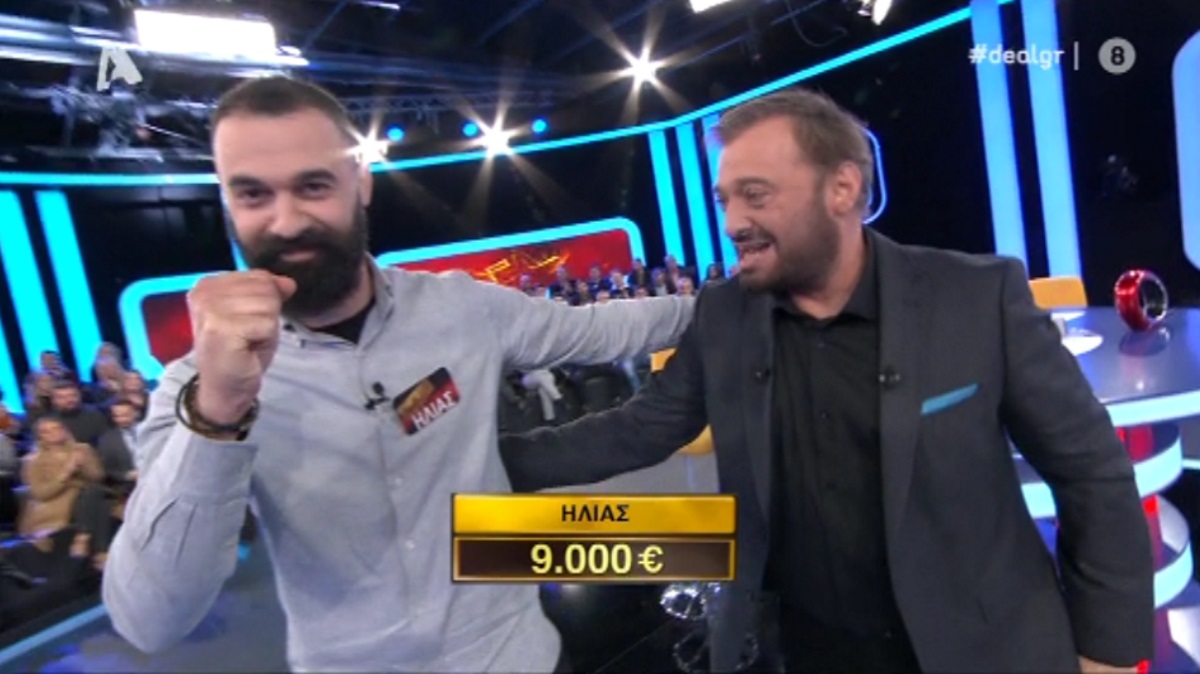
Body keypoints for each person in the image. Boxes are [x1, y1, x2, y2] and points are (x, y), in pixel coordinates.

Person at [500, 89, 1153, 674]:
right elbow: (641, 428)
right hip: (816, 651)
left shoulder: (976, 297)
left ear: (842, 188)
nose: (732, 223)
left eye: (756, 195)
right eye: (725, 200)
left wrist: (1110, 650)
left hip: (986, 647)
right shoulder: (724, 315)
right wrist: (486, 459)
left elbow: (1090, 470)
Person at [101, 75, 695, 673]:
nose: (286, 222)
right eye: (254, 195)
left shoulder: (462, 308)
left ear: (360, 182)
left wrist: (730, 304)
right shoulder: (194, 391)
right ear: (228, 203)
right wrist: (219, 414)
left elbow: (601, 329)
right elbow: (150, 620)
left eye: (313, 186)